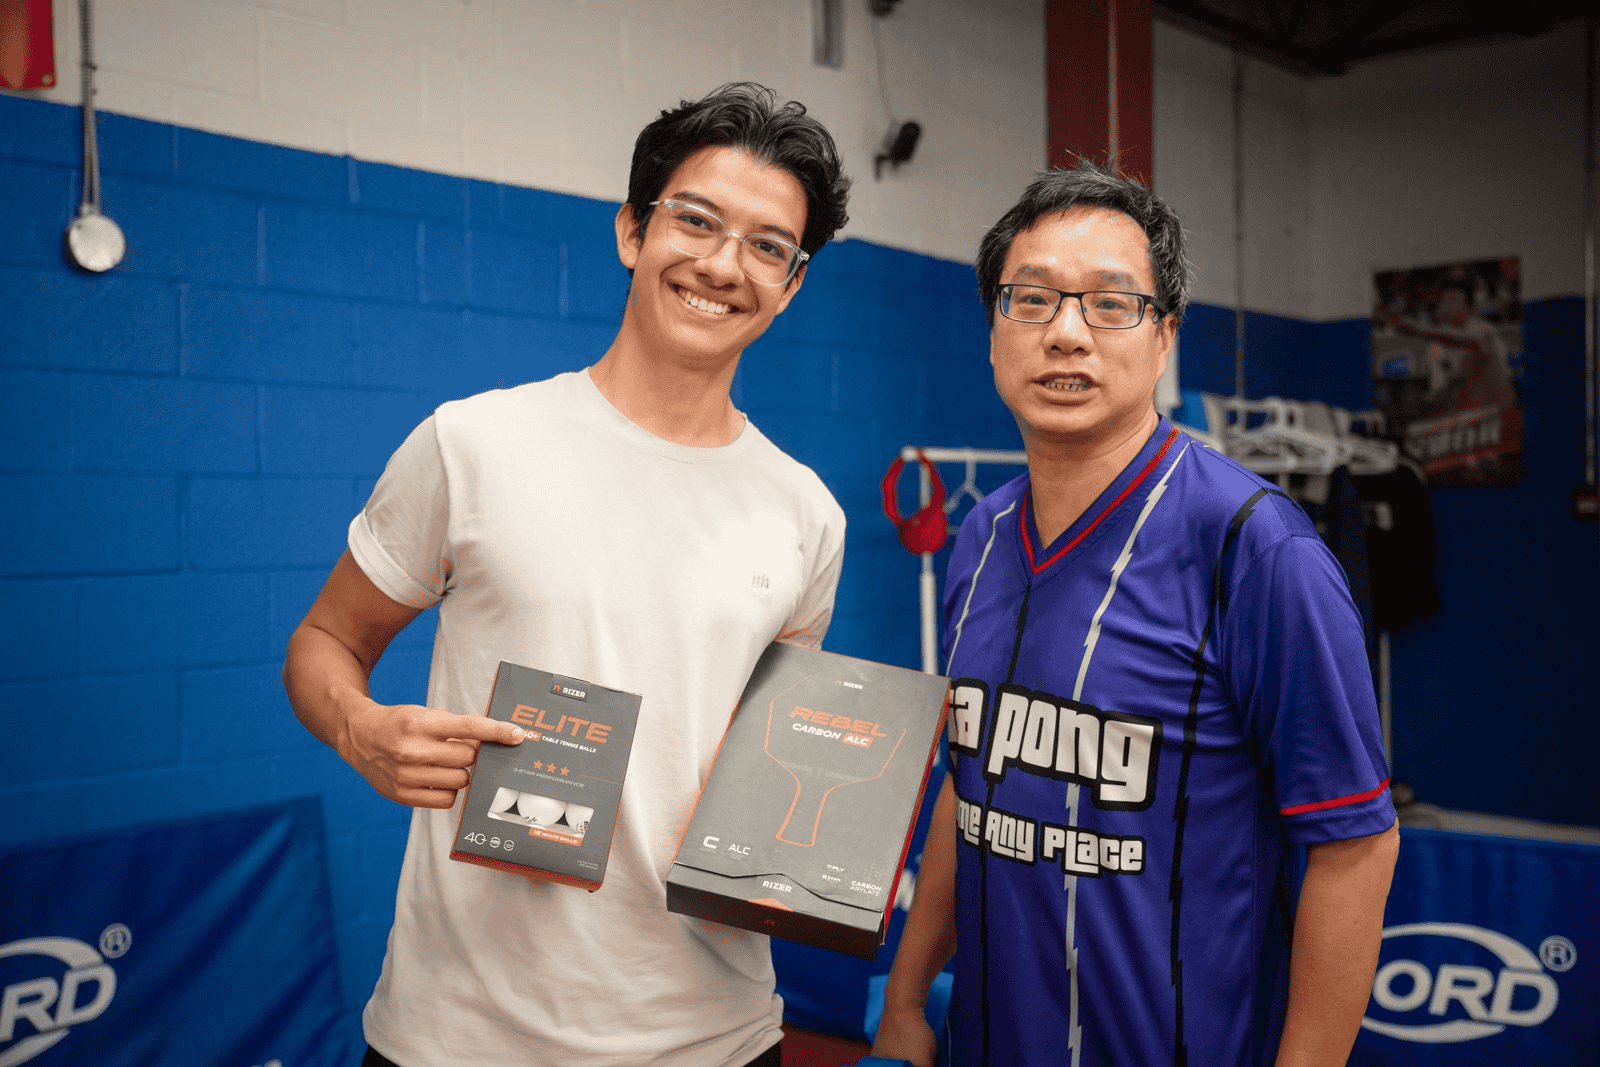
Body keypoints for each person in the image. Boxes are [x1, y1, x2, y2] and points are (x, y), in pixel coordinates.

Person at [282, 82, 851, 1067]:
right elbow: (326, 639)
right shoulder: (473, 443)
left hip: (716, 1036)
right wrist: (358, 725)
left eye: (768, 246)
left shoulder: (806, 513)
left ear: (791, 284)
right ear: (633, 230)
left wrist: (815, 832)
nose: (724, 264)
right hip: (459, 1036)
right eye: (697, 220)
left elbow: (768, 765)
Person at [870, 161, 1399, 1067]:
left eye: (1111, 304)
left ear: (1164, 339)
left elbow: (1356, 843)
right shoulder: (982, 535)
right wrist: (908, 1000)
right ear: (994, 333)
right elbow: (972, 780)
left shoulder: (1258, 550)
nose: (1066, 333)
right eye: (1030, 300)